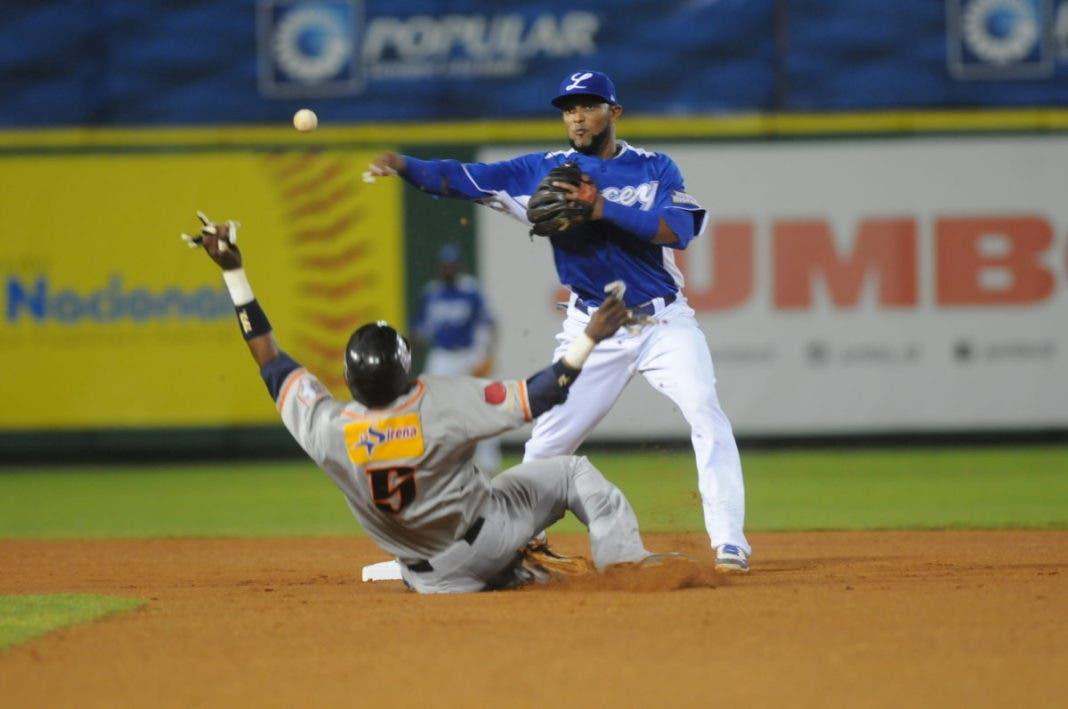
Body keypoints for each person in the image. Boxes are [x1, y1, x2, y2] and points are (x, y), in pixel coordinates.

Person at [367, 70, 751, 573]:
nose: (576, 116)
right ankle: (520, 545)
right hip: (594, 329)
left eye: (588, 105)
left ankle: (730, 543)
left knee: (704, 408)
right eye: (568, 108)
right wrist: (403, 164)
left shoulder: (654, 167)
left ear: (614, 112)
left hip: (663, 323)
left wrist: (601, 208)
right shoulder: (539, 172)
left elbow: (677, 230)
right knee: (546, 444)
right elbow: (459, 178)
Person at [181, 212, 660, 594]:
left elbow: (267, 356)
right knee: (570, 472)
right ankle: (622, 563)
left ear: (348, 380)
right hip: (485, 538)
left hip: (430, 580)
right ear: (404, 369)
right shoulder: (439, 402)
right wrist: (591, 337)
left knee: (471, 531)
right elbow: (545, 393)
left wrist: (234, 273)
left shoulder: (327, 426)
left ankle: (515, 572)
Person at [412, 244, 501, 475]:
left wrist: (488, 354)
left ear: (459, 266)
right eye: (445, 265)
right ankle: (435, 463)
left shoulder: (471, 290)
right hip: (441, 357)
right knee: (432, 410)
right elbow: (421, 330)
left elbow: (490, 323)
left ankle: (488, 464)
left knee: (482, 408)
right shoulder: (431, 292)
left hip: (467, 355)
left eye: (452, 265)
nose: (448, 269)